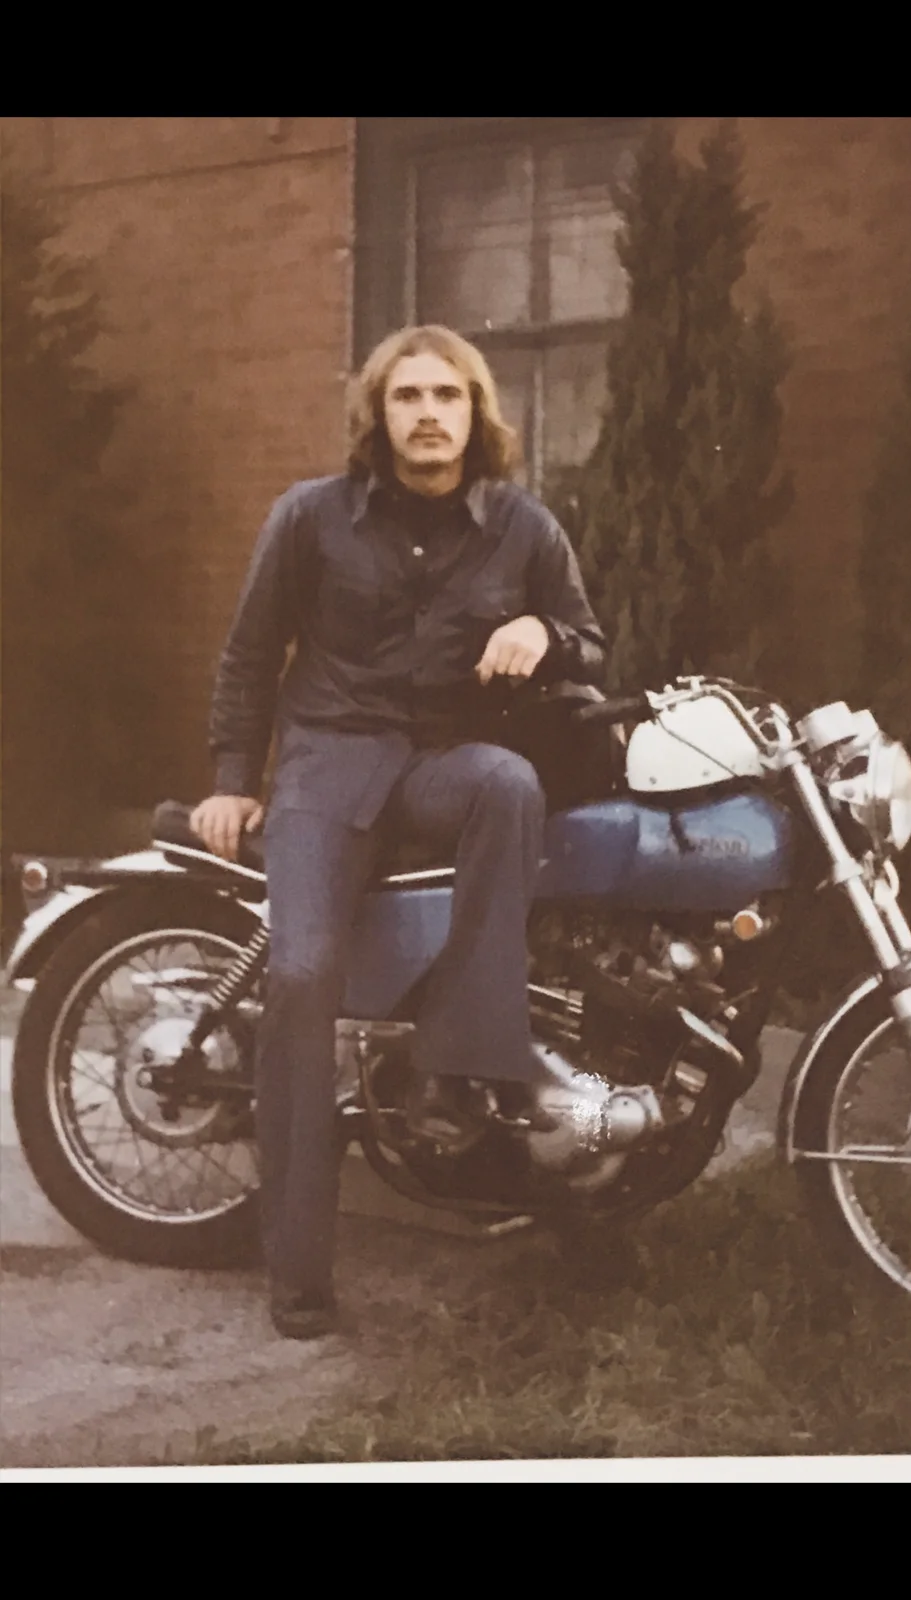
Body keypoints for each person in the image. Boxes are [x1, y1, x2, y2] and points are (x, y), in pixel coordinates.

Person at [191, 325, 606, 1339]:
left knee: (509, 783)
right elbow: (250, 654)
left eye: (447, 395)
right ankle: (297, 1272)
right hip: (327, 767)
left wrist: (544, 632)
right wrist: (233, 782)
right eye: (408, 396)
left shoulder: (524, 528)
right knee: (302, 976)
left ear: (476, 413)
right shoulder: (309, 516)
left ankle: (452, 1078)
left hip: (442, 764)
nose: (428, 414)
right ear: (377, 415)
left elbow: (592, 644)